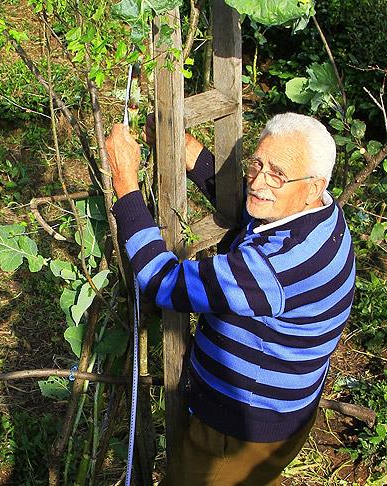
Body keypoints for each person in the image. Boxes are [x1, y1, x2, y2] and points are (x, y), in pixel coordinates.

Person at [105, 113, 356, 485]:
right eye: (257, 163)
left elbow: (162, 281)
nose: (259, 181)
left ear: (313, 186)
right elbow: (252, 207)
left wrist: (125, 185)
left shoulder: (274, 267)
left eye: (278, 174)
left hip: (238, 434)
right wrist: (187, 150)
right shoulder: (318, 217)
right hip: (283, 413)